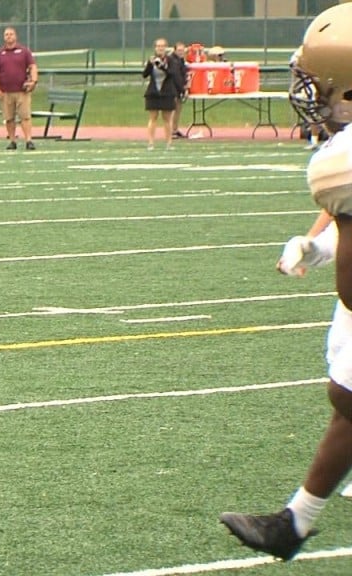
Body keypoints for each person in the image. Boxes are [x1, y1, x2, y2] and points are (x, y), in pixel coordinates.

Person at [219, 2, 352, 562]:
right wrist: (317, 245)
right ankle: (294, 522)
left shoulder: (342, 158)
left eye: (318, 83)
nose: (310, 95)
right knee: (347, 394)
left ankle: (293, 523)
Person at [0, 27, 37, 151]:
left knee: (25, 116)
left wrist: (33, 81)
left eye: (11, 34)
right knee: (9, 118)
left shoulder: (24, 51)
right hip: (6, 91)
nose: (9, 36)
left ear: (15, 36)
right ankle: (12, 141)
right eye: (6, 34)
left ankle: (28, 140)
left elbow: (32, 66)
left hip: (22, 91)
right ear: (3, 37)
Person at [142, 38, 178, 151]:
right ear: (155, 48)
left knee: (167, 119)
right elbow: (144, 74)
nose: (160, 48)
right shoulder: (152, 59)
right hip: (153, 92)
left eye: (162, 46)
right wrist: (150, 64)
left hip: (167, 92)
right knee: (153, 118)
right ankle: (151, 143)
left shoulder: (171, 60)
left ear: (166, 48)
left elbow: (172, 73)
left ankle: (168, 143)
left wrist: (162, 66)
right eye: (158, 46)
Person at [168, 41, 189, 140]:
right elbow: (176, 76)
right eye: (179, 50)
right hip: (172, 88)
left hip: (177, 88)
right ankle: (170, 131)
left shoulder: (181, 60)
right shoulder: (173, 60)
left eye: (182, 50)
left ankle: (175, 129)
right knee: (172, 110)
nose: (181, 52)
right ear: (175, 50)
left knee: (178, 109)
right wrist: (183, 89)